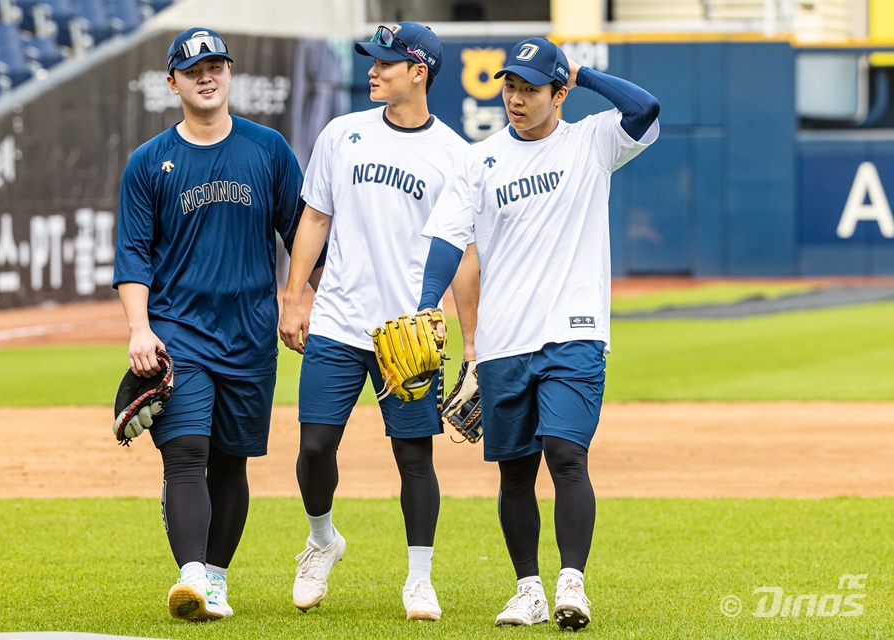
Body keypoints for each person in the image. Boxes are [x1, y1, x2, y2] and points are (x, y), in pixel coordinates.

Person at [416, 38, 660, 630]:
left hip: (574, 333)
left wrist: (582, 73)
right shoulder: (479, 161)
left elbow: (646, 109)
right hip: (503, 342)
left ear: (558, 93)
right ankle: (527, 587)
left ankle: (571, 583)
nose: (516, 99)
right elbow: (449, 239)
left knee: (565, 452)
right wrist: (427, 307)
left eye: (529, 88)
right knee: (515, 470)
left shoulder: (592, 142)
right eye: (510, 86)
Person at [113, 27, 322, 622]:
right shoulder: (149, 163)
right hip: (179, 333)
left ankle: (217, 580)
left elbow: (303, 233)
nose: (207, 76)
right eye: (193, 68)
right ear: (172, 81)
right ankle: (191, 576)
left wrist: (300, 296)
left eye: (216, 66)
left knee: (231, 460)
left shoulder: (268, 150)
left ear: (229, 73)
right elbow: (132, 254)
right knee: (185, 453)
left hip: (250, 335)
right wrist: (138, 327)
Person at [278, 22, 469, 621]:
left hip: (407, 336)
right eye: (373, 61)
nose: (373, 70)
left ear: (420, 72)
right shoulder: (342, 134)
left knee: (414, 457)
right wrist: (294, 296)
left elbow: (464, 254)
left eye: (387, 62)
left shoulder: (455, 155)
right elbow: (314, 219)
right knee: (314, 447)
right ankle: (321, 540)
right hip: (337, 319)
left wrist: (475, 343)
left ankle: (418, 579)